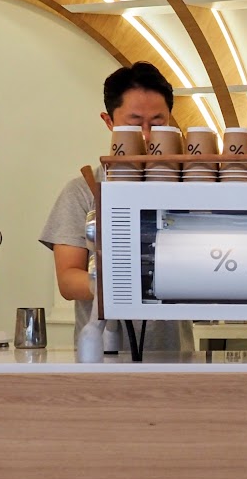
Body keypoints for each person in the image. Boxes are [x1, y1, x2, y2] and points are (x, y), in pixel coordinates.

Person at [41, 62, 188, 354]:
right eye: (134, 123)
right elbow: (68, 281)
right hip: (100, 355)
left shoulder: (187, 188)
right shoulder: (82, 191)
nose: (146, 135)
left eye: (157, 122)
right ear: (108, 121)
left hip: (175, 355)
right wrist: (133, 280)